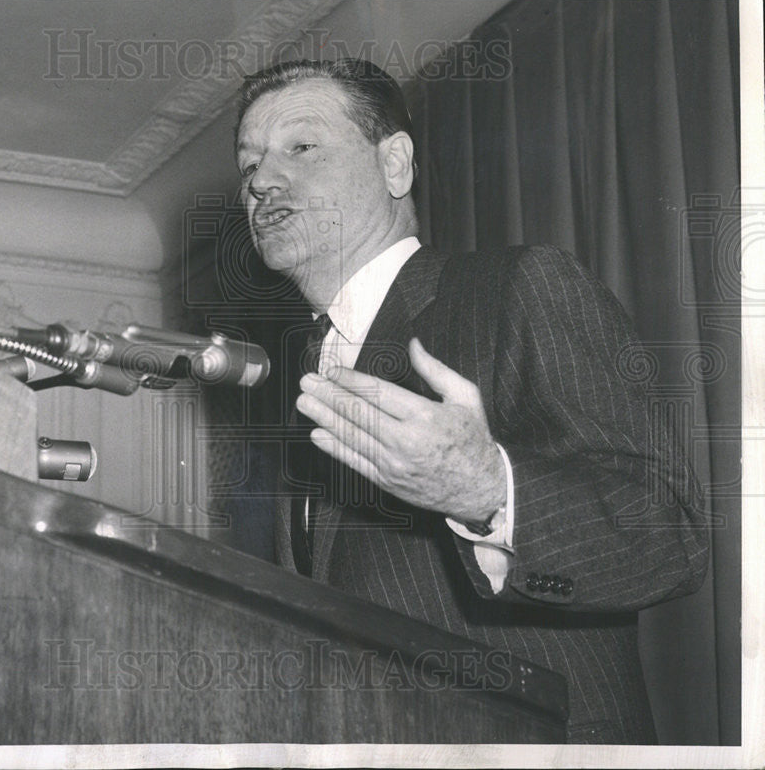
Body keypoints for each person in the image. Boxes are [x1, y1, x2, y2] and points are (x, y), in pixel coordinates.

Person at [233, 58, 708, 744]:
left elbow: (670, 535)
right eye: (248, 166)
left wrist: (489, 489)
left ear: (395, 164)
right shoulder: (304, 379)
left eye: (300, 148)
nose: (263, 181)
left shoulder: (517, 288)